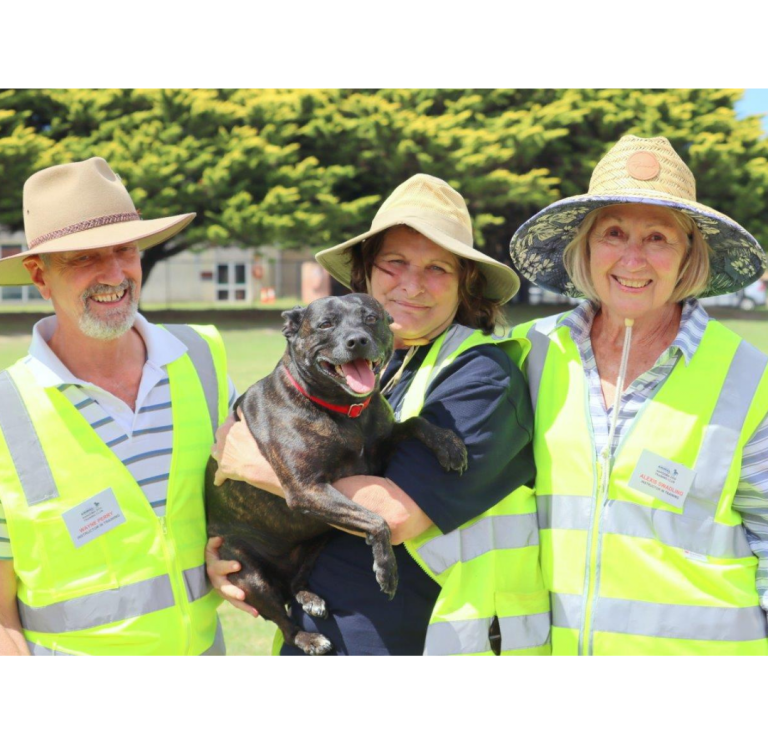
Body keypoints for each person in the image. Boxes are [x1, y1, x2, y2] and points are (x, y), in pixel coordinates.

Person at [211, 174, 550, 657]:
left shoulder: (482, 374)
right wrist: (237, 556)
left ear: (465, 283)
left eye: (437, 269)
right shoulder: (357, 364)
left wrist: (256, 465)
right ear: (366, 272)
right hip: (322, 633)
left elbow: (393, 516)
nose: (411, 285)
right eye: (395, 264)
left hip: (428, 641)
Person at [509, 135, 768, 657]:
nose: (632, 257)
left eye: (657, 237)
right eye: (613, 232)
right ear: (585, 246)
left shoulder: (750, 377)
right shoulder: (528, 353)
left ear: (689, 253)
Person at [0, 157, 235, 657]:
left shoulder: (201, 358)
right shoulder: (5, 411)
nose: (114, 273)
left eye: (124, 250)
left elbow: (248, 495)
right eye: (83, 258)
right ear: (40, 277)